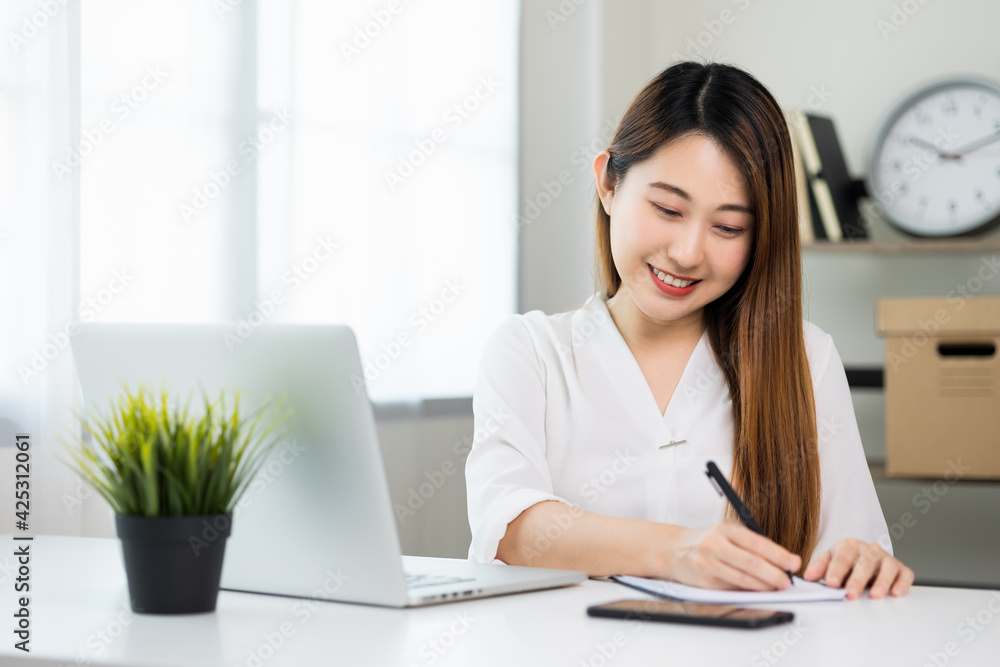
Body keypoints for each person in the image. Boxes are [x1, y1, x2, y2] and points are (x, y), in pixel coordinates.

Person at [464, 61, 914, 600]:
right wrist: (679, 552)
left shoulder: (805, 359)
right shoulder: (531, 353)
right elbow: (510, 528)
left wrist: (863, 562)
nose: (688, 253)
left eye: (728, 227)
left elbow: (852, 545)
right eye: (668, 208)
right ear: (608, 183)